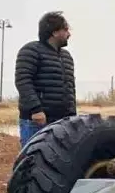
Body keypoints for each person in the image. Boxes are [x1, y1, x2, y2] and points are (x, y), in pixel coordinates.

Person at [14, 12, 76, 146]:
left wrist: (72, 116)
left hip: (63, 122)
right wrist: (36, 110)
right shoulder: (31, 51)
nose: (69, 34)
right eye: (65, 30)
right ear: (54, 32)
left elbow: (70, 88)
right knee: (33, 162)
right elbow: (23, 81)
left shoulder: (66, 56)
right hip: (36, 122)